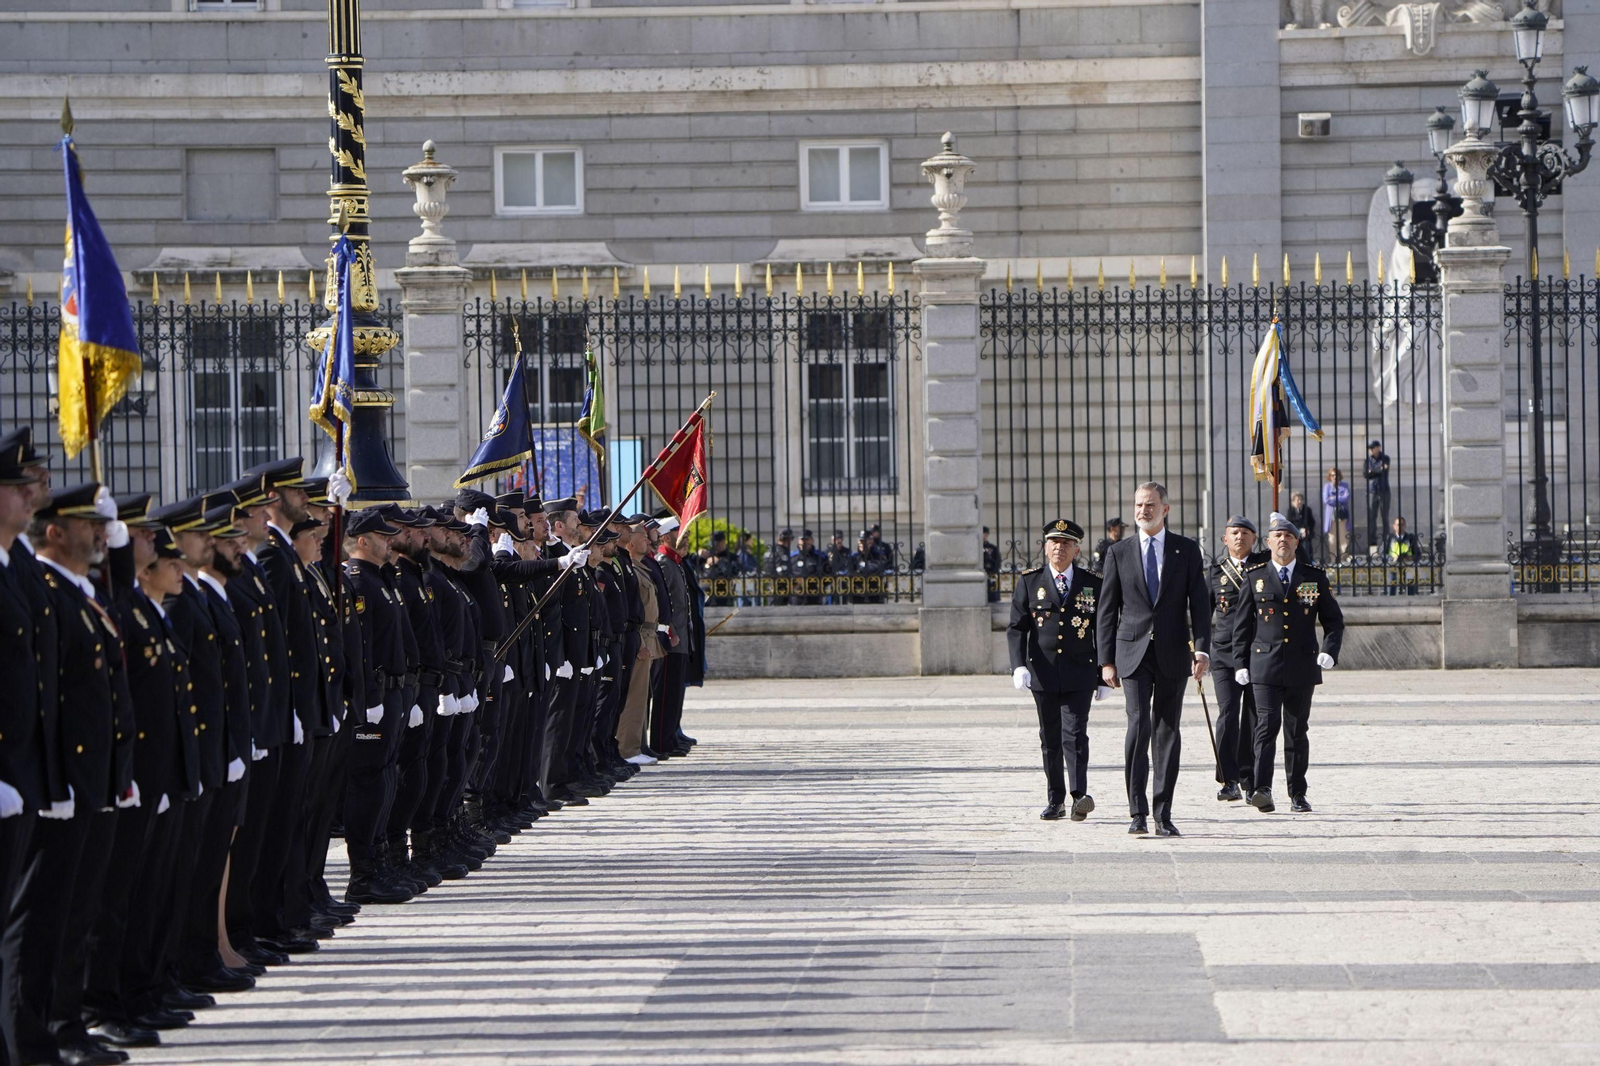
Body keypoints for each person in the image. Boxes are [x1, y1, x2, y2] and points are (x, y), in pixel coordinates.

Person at [1093, 482, 1210, 837]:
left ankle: (1163, 812)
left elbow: (1200, 605)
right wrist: (1106, 661)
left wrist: (1201, 650)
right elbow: (1106, 610)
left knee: (1167, 731)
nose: (1143, 510)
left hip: (1174, 652)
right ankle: (1137, 811)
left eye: (1150, 505)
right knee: (1139, 723)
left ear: (1165, 509)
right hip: (1132, 652)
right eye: (1139, 505)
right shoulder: (1119, 552)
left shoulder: (1186, 550)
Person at [1233, 513, 1344, 813]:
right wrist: (1239, 663)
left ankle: (1297, 792)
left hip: (1302, 665)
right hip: (1264, 666)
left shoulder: (1314, 577)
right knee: (1266, 727)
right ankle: (1262, 788)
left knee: (1297, 731)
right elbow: (1241, 625)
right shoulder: (1254, 577)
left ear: (1297, 541)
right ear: (1268, 542)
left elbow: (1334, 621)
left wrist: (1330, 651)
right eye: (1277, 536)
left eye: (1288, 536)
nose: (1283, 540)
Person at [1008, 519, 1105, 822]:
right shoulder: (1030, 581)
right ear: (1045, 546)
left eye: (1066, 543)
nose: (1059, 548)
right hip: (1043, 673)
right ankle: (1056, 799)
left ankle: (1079, 797)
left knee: (1075, 734)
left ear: (1077, 549)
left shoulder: (1092, 582)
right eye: (1053, 542)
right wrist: (1018, 665)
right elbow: (1016, 628)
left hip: (1080, 672)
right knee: (1050, 737)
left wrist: (1103, 672)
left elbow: (1103, 629)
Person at [1208, 515, 1270, 802]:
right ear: (1224, 539)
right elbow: (1200, 615)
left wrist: (1278, 525)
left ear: (1255, 539)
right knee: (1228, 714)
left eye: (1246, 532)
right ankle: (1228, 778)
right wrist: (1198, 649)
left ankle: (1251, 778)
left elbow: (1294, 554)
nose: (1240, 537)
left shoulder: (1264, 567)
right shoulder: (1214, 574)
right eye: (1234, 532)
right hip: (1223, 653)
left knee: (1254, 717)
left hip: (1256, 652)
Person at [1382, 516, 1422, 596]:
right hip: (1393, 566)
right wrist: (1391, 558)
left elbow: (1418, 553)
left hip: (1408, 566)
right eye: (1398, 525)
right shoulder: (1389, 538)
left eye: (1402, 525)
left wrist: (1410, 558)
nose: (1400, 527)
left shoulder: (1411, 538)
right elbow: (1382, 552)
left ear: (1405, 526)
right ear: (1394, 526)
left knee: (1411, 587)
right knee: (1392, 586)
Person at [1363, 440, 1391, 553]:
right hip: (1372, 491)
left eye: (1372, 448)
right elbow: (1366, 474)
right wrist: (1378, 469)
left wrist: (1372, 471)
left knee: (1385, 517)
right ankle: (1372, 542)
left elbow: (1384, 471)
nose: (1371, 450)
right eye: (1370, 448)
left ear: (1378, 448)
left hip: (1384, 490)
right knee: (1372, 517)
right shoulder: (1368, 460)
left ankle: (1386, 540)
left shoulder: (1385, 458)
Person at [1321, 467, 1351, 562]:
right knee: (1332, 539)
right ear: (1330, 477)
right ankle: (1333, 559)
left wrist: (1333, 497)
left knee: (1344, 538)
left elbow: (1346, 497)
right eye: (1332, 475)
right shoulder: (1327, 486)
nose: (1334, 477)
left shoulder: (1344, 485)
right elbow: (1326, 499)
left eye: (1336, 475)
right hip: (1331, 516)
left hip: (1342, 515)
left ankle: (1343, 559)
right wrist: (1339, 497)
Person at [763, 528, 796, 605]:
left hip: (770, 586)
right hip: (781, 588)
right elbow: (783, 571)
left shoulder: (770, 550)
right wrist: (794, 584)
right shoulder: (782, 552)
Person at [1285, 491, 1318, 565]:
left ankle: (1309, 562)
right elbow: (1289, 523)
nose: (1299, 502)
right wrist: (1299, 530)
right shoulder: (1291, 511)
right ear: (1293, 502)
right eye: (1297, 500)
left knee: (1307, 547)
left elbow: (1312, 522)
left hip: (1306, 534)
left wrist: (1308, 529)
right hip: (1295, 534)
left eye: (1301, 500)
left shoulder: (1307, 509)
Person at [982, 526, 1001, 603]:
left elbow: (997, 560)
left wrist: (994, 571)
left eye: (984, 534)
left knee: (991, 596)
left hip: (990, 573)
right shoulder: (974, 546)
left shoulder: (992, 547)